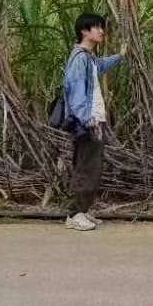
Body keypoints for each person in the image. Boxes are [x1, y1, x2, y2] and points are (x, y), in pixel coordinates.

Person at [62, 13, 126, 232]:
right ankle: (74, 214)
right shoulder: (80, 58)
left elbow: (101, 65)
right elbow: (76, 92)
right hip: (87, 122)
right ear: (84, 31)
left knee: (92, 165)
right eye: (97, 27)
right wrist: (87, 119)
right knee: (86, 166)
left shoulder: (88, 58)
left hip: (93, 120)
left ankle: (83, 210)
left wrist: (121, 56)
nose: (101, 31)